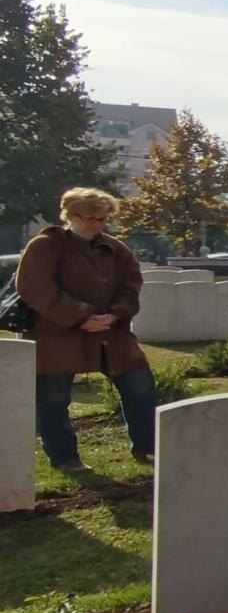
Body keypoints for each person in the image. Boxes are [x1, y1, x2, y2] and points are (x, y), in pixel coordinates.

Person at [19, 188, 157, 470]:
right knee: (53, 398)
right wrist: (80, 315)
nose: (96, 224)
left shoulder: (115, 248)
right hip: (58, 334)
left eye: (102, 219)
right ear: (70, 215)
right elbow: (36, 287)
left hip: (111, 332)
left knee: (139, 384)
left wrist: (116, 314)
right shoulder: (46, 245)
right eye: (89, 218)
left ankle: (149, 446)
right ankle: (64, 458)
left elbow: (131, 285)